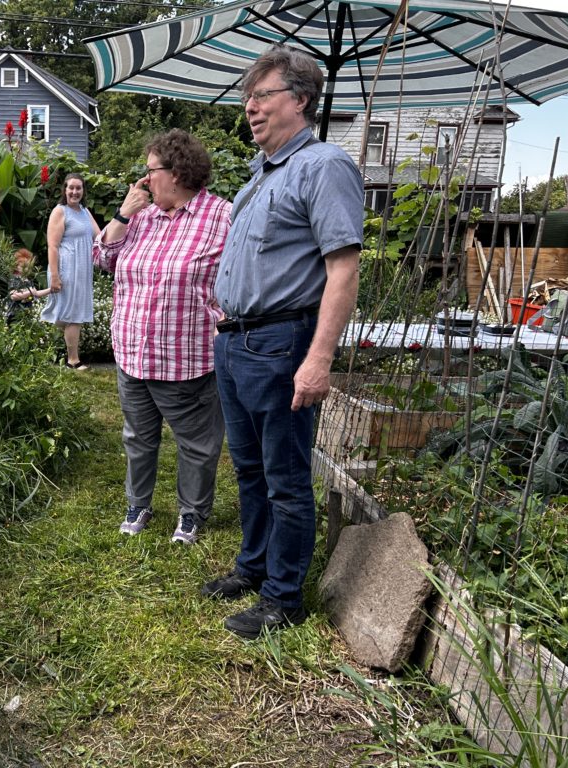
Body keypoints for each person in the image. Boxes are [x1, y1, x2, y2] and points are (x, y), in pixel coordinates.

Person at [205, 45, 363, 638]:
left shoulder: (323, 166)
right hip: (236, 342)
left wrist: (318, 358)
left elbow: (343, 270)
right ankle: (253, 566)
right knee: (248, 468)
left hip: (281, 343)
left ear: (299, 100)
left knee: (286, 477)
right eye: (249, 96)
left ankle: (284, 598)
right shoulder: (261, 174)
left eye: (261, 95)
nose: (250, 106)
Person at [94, 129, 232, 544]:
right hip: (133, 352)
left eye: (150, 171)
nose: (143, 180)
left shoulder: (222, 216)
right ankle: (138, 503)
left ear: (176, 172)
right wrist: (121, 215)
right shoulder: (140, 217)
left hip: (186, 356)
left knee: (197, 443)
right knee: (138, 436)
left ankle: (191, 513)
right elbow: (101, 259)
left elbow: (242, 277)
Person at [40, 173, 100, 370]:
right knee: (72, 315)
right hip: (66, 269)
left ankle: (47, 347)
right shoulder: (60, 211)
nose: (75, 192)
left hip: (81, 270)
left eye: (79, 188)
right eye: (71, 188)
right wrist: (55, 276)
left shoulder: (84, 212)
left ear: (83, 191)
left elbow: (100, 237)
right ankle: (73, 361)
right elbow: (53, 246)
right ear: (64, 190)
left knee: (68, 314)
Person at [5, 247, 50, 324]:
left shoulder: (28, 280)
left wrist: (50, 290)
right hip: (15, 315)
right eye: (23, 267)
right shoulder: (15, 279)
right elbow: (13, 296)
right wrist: (29, 292)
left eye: (28, 267)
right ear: (16, 266)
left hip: (25, 315)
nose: (26, 269)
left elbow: (36, 293)